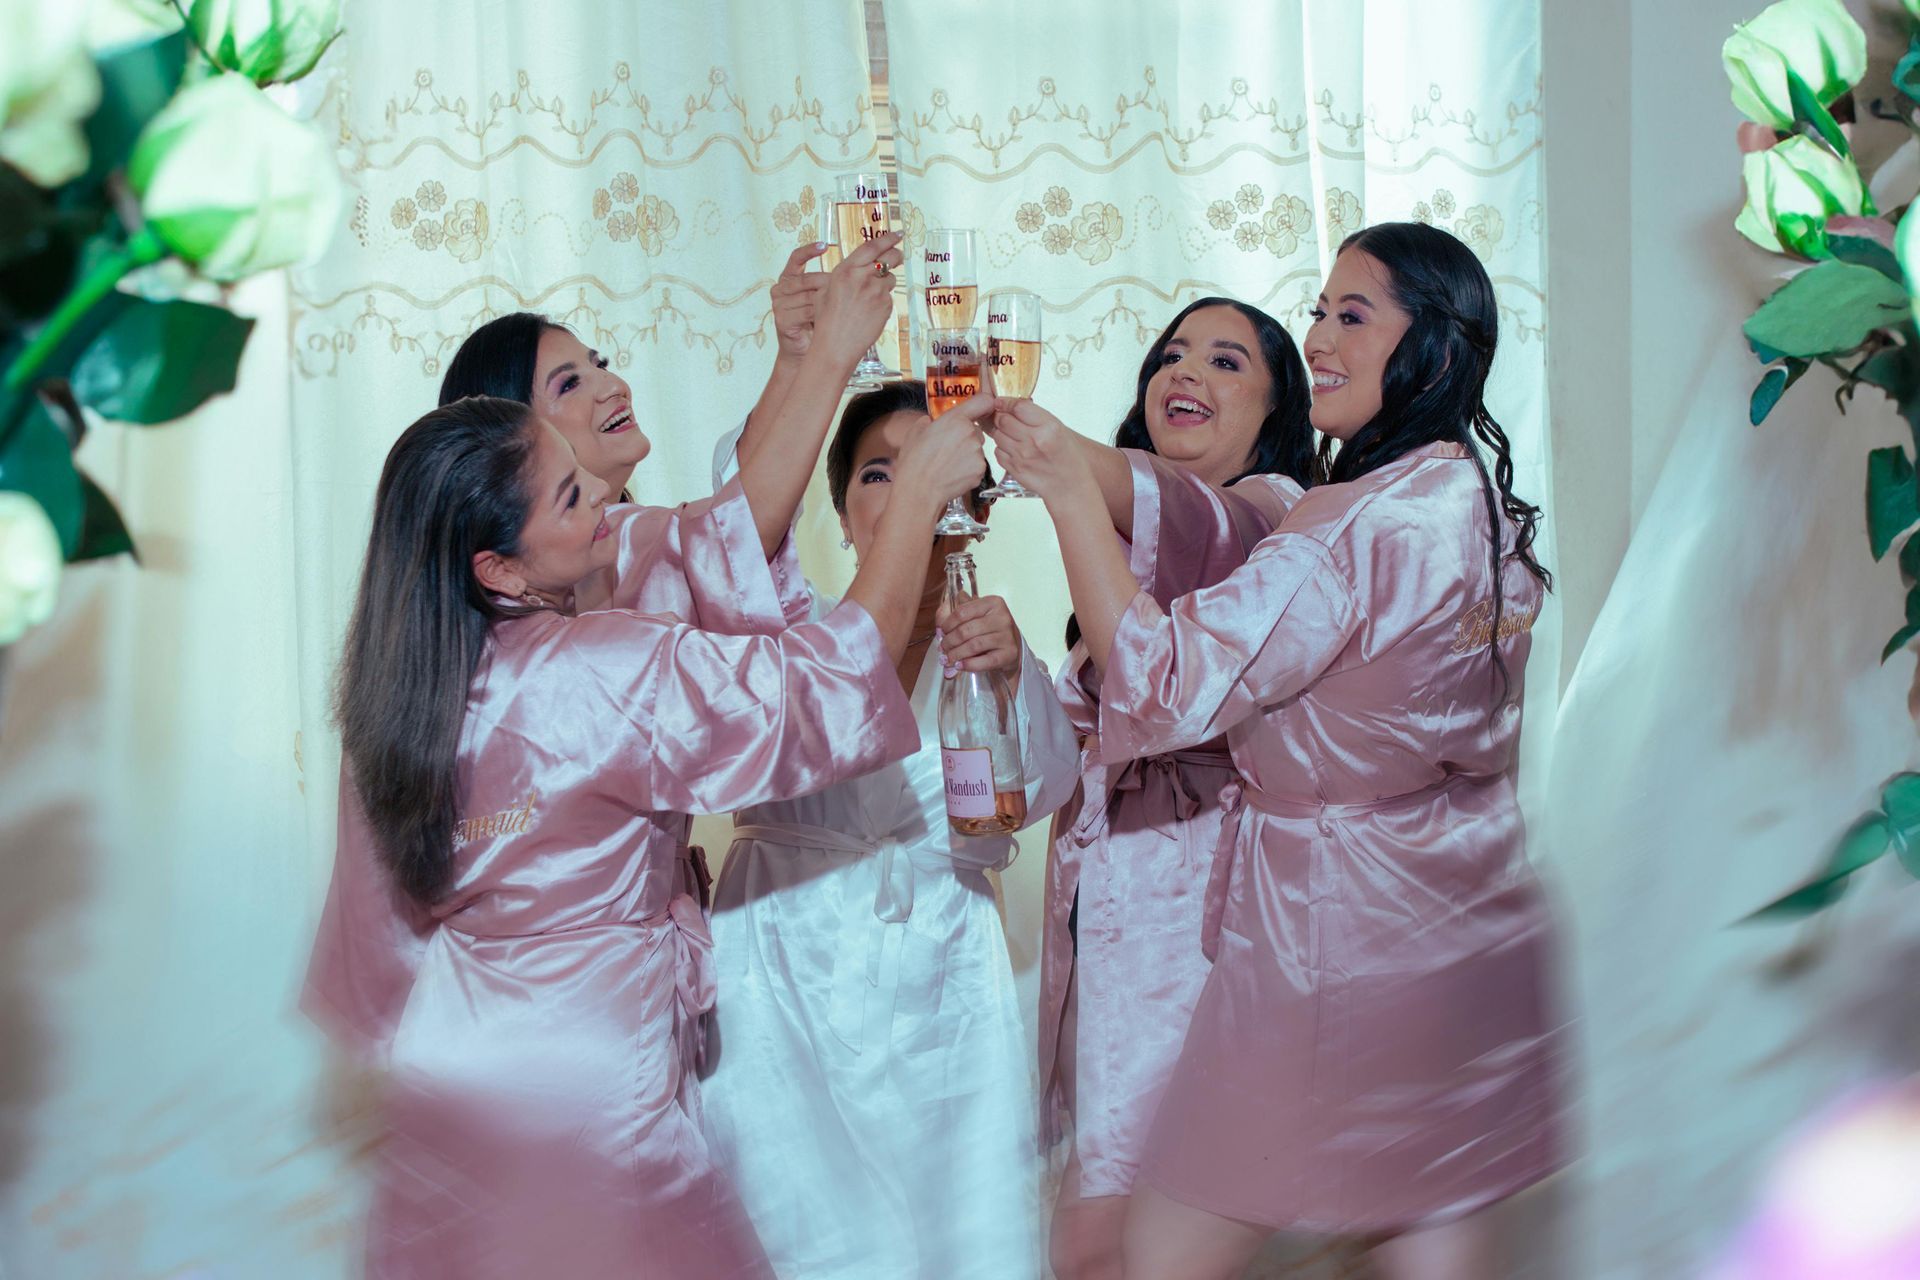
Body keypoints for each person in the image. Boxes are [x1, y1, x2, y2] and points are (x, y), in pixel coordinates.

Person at [302, 384, 994, 1279]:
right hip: (587, 1076)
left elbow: (374, 950)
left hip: (449, 1071)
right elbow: (821, 690)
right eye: (569, 495)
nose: (603, 495)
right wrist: (911, 508)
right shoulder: (605, 668)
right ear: (499, 570)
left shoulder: (394, 697)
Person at [991, 221, 1566, 1280]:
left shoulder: (1343, 525)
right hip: (1466, 917)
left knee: (1155, 1248)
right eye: (1319, 311)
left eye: (1353, 315)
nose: (1321, 337)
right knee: (1426, 1233)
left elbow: (1163, 686)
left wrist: (1069, 491)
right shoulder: (1483, 507)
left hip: (1333, 929)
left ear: (1431, 347)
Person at [697, 380, 1078, 1279]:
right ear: (834, 512)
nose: (908, 491)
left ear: (975, 505)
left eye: (933, 471)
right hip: (779, 952)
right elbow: (733, 517)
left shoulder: (986, 647)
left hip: (944, 959)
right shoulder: (786, 631)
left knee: (951, 1230)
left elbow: (1049, 788)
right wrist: (804, 359)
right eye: (878, 475)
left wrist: (1015, 668)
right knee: (791, 1220)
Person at [1037, 298, 1317, 1280]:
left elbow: (1200, 517)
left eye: (1226, 359)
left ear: (1280, 408)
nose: (1183, 372)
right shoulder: (1114, 558)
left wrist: (1054, 454)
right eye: (1169, 355)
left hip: (1214, 902)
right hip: (1115, 912)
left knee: (1139, 1233)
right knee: (1102, 1232)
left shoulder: (1281, 514)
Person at [437, 233, 902, 610]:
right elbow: (731, 537)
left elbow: (731, 518)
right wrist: (832, 354)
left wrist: (797, 358)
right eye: (568, 385)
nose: (612, 385)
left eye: (598, 364)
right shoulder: (604, 554)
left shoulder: (619, 541)